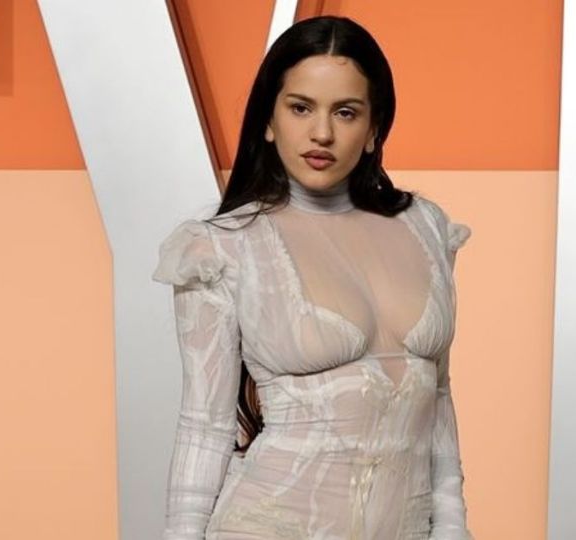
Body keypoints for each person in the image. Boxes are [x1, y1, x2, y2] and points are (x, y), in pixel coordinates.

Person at [151, 16, 473, 539]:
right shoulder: (223, 247)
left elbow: (435, 399)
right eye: (300, 108)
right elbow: (204, 428)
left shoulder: (425, 228)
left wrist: (454, 527)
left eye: (345, 112)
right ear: (269, 119)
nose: (322, 133)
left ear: (373, 129)